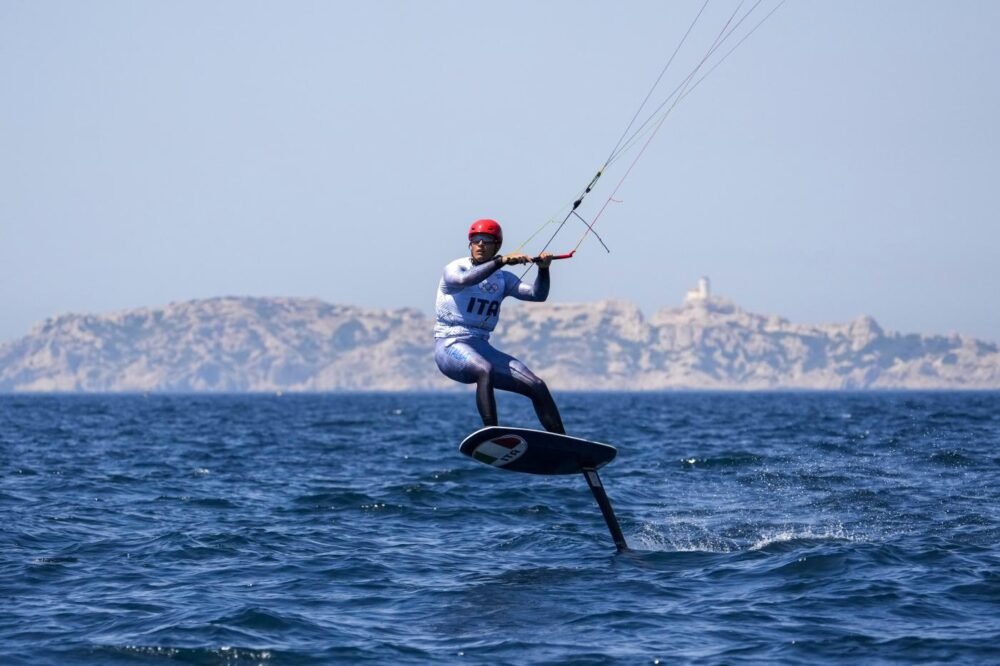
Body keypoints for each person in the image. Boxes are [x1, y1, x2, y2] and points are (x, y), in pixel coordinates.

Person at [434, 218, 566, 434]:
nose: (480, 245)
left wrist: (543, 269)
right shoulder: (455, 268)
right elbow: (464, 280)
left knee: (537, 385)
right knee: (484, 369)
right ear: (470, 244)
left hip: (482, 346)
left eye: (486, 241)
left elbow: (537, 295)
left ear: (496, 245)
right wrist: (500, 261)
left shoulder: (503, 279)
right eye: (476, 240)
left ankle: (562, 441)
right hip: (450, 346)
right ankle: (492, 433)